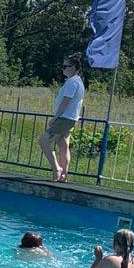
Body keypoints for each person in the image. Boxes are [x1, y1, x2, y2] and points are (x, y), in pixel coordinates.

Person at [39, 54, 85, 182]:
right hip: (70, 118)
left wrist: (55, 118)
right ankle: (63, 175)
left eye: (65, 66)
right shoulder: (77, 82)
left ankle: (56, 169)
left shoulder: (72, 82)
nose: (63, 69)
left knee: (43, 141)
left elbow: (65, 102)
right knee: (63, 145)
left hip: (64, 118)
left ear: (73, 67)